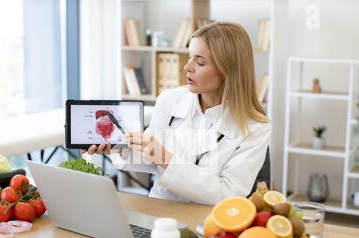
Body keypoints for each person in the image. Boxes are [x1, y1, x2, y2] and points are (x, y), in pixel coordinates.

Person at [81, 22, 271, 206]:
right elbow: (149, 159)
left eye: (200, 62)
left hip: (207, 222)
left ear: (228, 70)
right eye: (189, 57)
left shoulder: (256, 128)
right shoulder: (169, 100)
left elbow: (227, 194)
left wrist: (165, 158)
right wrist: (117, 147)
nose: (187, 67)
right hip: (159, 211)